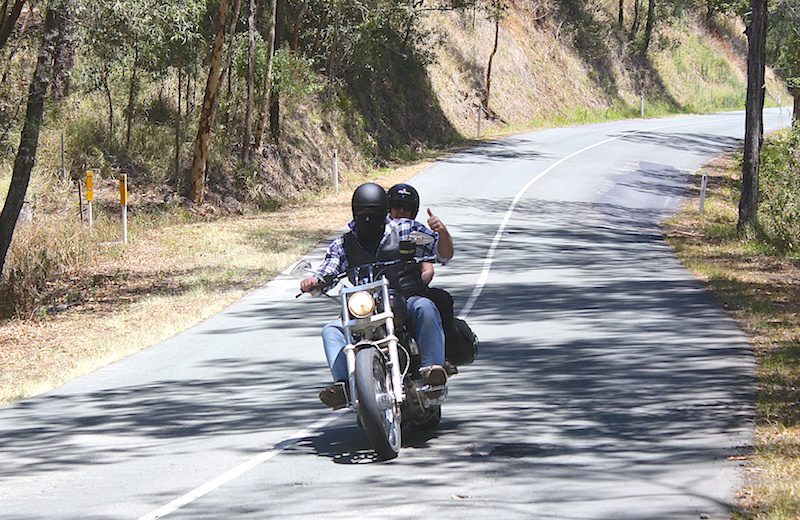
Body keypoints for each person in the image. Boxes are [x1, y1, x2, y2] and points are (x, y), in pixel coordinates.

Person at [300, 182, 452, 409]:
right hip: (365, 307)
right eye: (363, 212)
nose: (368, 218)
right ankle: (344, 385)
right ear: (355, 212)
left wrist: (442, 232)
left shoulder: (405, 229)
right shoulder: (344, 243)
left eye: (373, 212)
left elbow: (443, 254)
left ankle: (433, 371)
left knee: (425, 307)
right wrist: (313, 282)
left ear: (384, 211)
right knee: (331, 330)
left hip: (404, 298)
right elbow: (327, 270)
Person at [387, 183, 456, 358]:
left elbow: (441, 256)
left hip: (408, 295)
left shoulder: (414, 232)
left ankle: (439, 359)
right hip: (377, 298)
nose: (401, 211)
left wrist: (442, 232)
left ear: (413, 211)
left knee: (436, 302)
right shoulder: (372, 233)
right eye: (396, 206)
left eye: (407, 208)